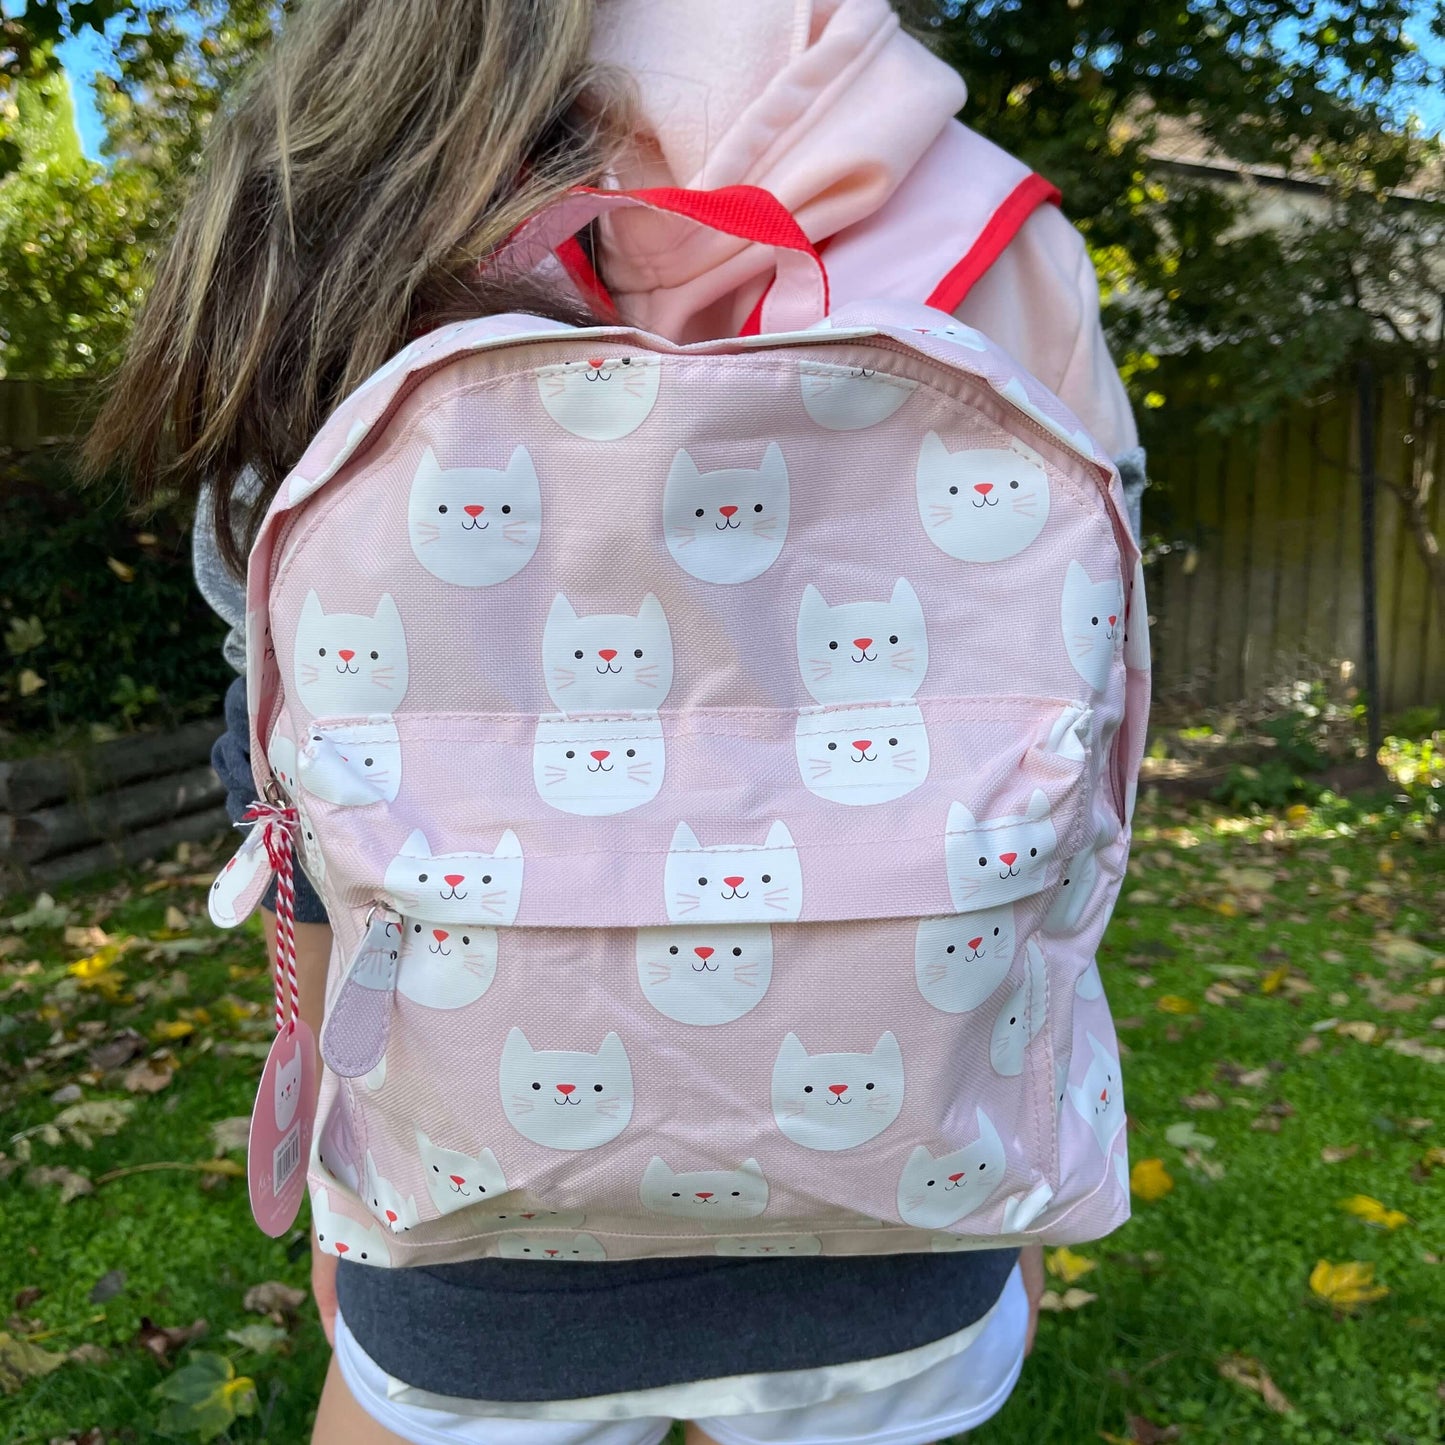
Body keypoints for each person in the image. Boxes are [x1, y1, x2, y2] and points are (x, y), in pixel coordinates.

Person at [86, 3, 1142, 1442]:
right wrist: (1008, 1165)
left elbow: (279, 747)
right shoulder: (982, 213)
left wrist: (346, 1183)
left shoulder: (356, 148)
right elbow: (1065, 718)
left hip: (463, 1211)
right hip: (908, 1194)